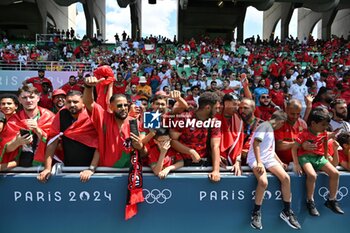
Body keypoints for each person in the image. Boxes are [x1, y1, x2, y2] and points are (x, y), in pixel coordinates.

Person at [248, 110, 301, 230]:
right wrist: (259, 163)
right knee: (263, 182)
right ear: (281, 122)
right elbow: (256, 144)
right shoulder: (264, 126)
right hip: (256, 159)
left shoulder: (270, 128)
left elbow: (270, 150)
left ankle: (286, 211)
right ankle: (256, 213)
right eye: (283, 124)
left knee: (286, 178)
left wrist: (280, 162)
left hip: (268, 158)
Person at [83, 76, 146, 168]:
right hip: (105, 172)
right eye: (119, 106)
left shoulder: (134, 123)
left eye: (125, 105)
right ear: (111, 107)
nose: (124, 108)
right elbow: (89, 103)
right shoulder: (103, 117)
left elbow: (144, 154)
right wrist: (88, 87)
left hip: (128, 175)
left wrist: (140, 147)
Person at [291, 108, 344, 216]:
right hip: (305, 157)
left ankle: (331, 200)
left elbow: (324, 144)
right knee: (312, 175)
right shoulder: (303, 134)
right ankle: (310, 201)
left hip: (319, 158)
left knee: (335, 173)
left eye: (326, 125)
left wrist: (325, 157)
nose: (325, 127)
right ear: (313, 123)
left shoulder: (323, 132)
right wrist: (296, 164)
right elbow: (294, 148)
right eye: (323, 124)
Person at [37, 91, 99, 182]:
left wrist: (91, 169)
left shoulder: (93, 114)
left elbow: (100, 144)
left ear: (83, 103)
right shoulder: (62, 114)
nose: (72, 105)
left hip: (93, 171)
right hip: (68, 169)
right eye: (69, 102)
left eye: (75, 102)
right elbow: (52, 141)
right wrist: (47, 168)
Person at [170, 91, 222, 182]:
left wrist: (216, 170)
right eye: (216, 108)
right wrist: (191, 151)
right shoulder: (184, 118)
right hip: (181, 164)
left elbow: (215, 146)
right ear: (207, 107)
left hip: (204, 163)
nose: (218, 111)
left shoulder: (214, 122)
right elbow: (173, 141)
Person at [0, 85, 54, 168]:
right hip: (21, 165)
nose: (28, 100)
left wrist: (38, 130)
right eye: (24, 98)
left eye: (32, 97)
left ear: (38, 98)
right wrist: (17, 142)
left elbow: (54, 144)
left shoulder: (49, 116)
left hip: (46, 165)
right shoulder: (13, 120)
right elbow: (6, 149)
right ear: (19, 100)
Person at [274, 99, 308, 165]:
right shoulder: (279, 123)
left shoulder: (303, 124)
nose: (295, 117)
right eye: (292, 114)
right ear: (286, 110)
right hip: (280, 162)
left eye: (298, 114)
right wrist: (297, 144)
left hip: (298, 161)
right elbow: (279, 146)